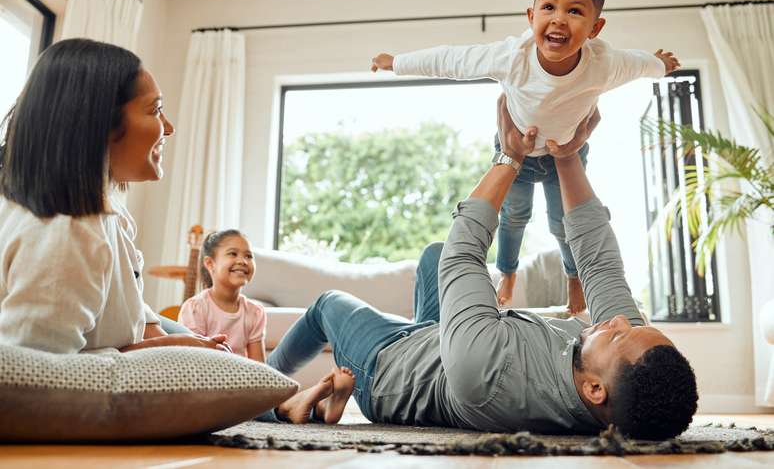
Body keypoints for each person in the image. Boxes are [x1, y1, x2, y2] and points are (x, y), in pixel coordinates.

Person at [265, 97, 698, 440]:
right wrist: (568, 158)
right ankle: (307, 395)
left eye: (619, 332)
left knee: (328, 305)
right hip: (442, 344)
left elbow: (464, 252)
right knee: (432, 255)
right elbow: (600, 262)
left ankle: (267, 395)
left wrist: (509, 157)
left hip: (389, 370)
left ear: (594, 390)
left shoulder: (488, 377)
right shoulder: (616, 372)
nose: (618, 320)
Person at [0, 38, 350, 424]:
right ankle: (284, 405)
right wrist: (158, 351)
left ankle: (285, 403)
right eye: (156, 111)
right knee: (224, 365)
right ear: (100, 123)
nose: (168, 127)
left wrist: (162, 337)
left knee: (215, 353)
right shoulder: (66, 233)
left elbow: (127, 302)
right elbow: (33, 376)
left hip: (137, 325)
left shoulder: (103, 208)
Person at [370, 0, 680, 314]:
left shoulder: (604, 64)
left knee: (563, 224)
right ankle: (508, 272)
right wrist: (397, 62)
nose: (559, 18)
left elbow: (640, 64)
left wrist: (660, 65)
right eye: (549, 7)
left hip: (566, 153)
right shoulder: (512, 57)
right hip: (516, 151)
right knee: (514, 216)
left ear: (595, 28)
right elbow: (451, 60)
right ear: (531, 17)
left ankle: (574, 279)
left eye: (575, 11)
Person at [179, 229, 268, 361]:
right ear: (210, 263)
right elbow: (192, 360)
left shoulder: (255, 312)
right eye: (233, 254)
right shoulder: (195, 308)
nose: (243, 261)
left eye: (248, 256)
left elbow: (259, 367)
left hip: (242, 378)